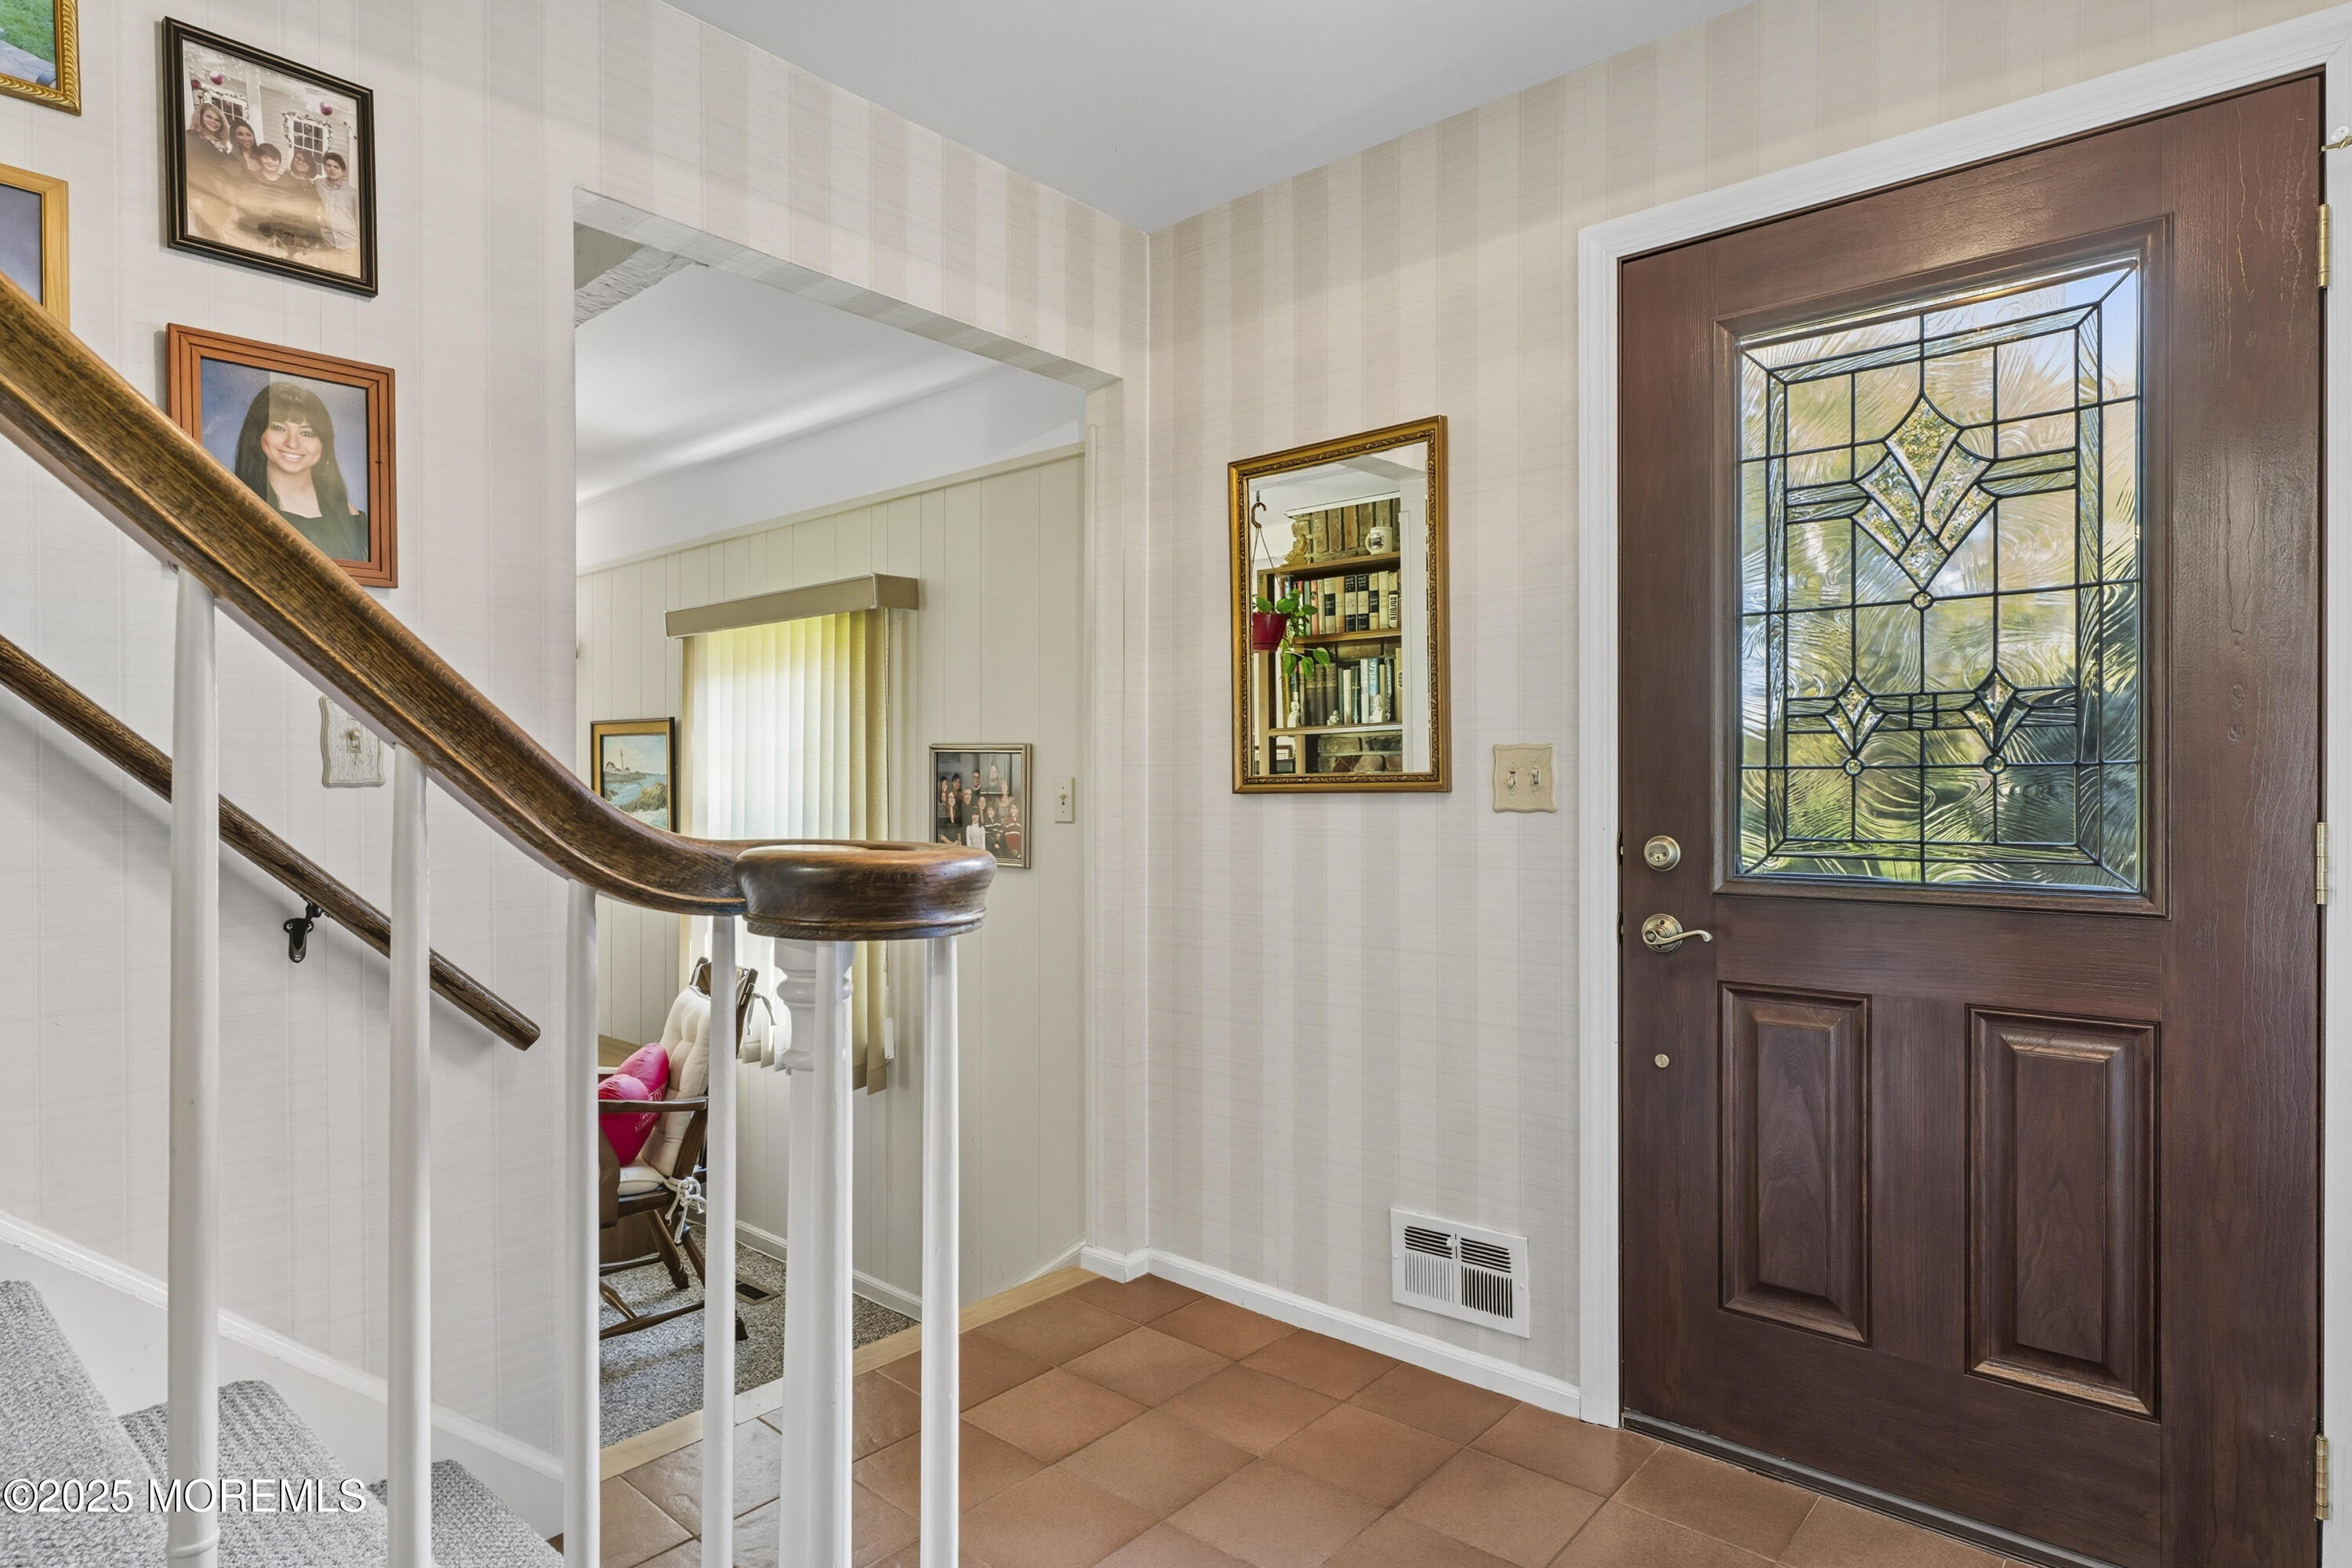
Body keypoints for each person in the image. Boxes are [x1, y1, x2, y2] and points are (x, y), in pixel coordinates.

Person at [232, 380, 368, 561]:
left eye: (307, 433)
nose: (292, 443)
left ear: (323, 443)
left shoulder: (353, 521)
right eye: (279, 428)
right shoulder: (234, 509)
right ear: (258, 434)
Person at [237, 143, 326, 258]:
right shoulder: (283, 177)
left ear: (311, 166)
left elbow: (313, 207)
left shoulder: (312, 186)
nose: (301, 162)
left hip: (301, 225)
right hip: (280, 223)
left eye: (306, 161)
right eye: (298, 158)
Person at [183, 102, 241, 242]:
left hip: (220, 198)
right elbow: (190, 168)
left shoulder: (220, 144)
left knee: (219, 236)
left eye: (217, 120)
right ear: (200, 117)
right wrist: (194, 195)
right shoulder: (190, 137)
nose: (213, 122)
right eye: (209, 117)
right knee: (206, 236)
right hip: (202, 195)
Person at [314, 151, 360, 267]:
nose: (332, 169)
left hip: (349, 243)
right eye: (328, 166)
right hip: (328, 242)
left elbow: (358, 219)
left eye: (336, 167)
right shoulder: (318, 184)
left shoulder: (352, 193)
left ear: (343, 172)